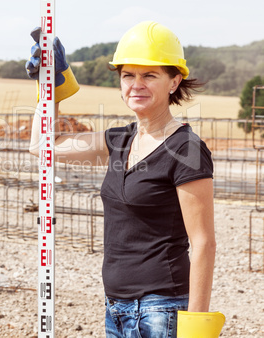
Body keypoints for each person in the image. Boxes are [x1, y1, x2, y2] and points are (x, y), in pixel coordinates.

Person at [26, 21, 225, 338]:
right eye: (128, 75)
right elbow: (42, 146)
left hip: (162, 311)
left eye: (149, 75)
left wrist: (197, 328)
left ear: (174, 81)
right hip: (116, 308)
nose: (136, 84)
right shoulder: (118, 141)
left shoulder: (185, 149)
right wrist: (52, 87)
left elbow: (204, 243)